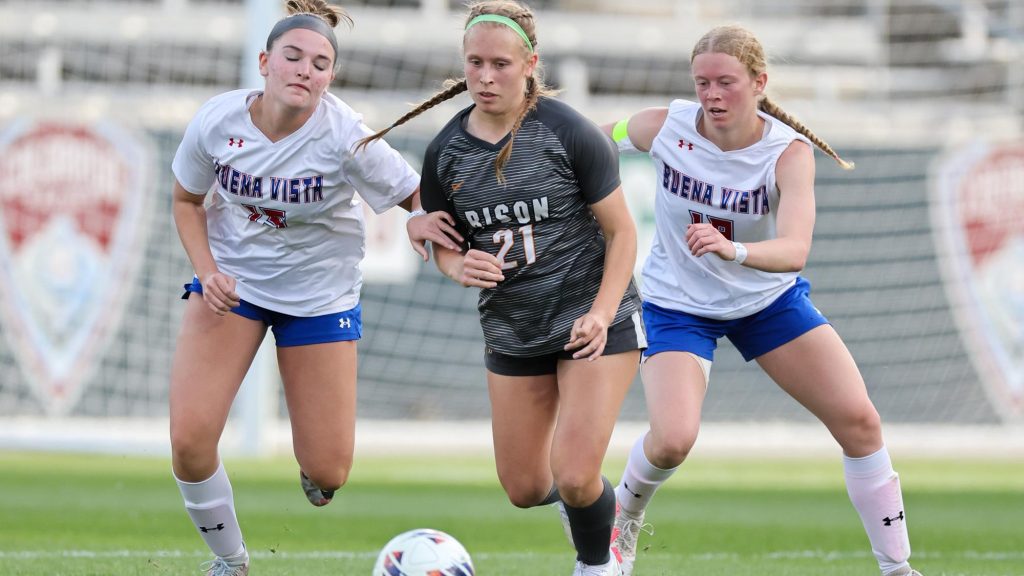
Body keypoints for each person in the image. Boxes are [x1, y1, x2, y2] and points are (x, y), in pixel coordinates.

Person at [602, 24, 922, 576]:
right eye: (702, 82)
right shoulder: (665, 126)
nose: (712, 95)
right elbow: (590, 142)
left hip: (767, 302)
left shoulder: (788, 153)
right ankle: (619, 528)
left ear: (759, 82)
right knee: (673, 440)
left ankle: (897, 570)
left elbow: (795, 250)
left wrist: (735, 250)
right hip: (677, 304)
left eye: (726, 82)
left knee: (860, 422)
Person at [168, 2, 457, 575]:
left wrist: (420, 219)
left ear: (331, 76)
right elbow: (185, 200)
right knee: (190, 444)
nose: (305, 69)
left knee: (329, 472)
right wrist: (206, 272)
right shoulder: (216, 121)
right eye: (293, 56)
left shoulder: (348, 136)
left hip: (319, 299)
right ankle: (231, 562)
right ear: (264, 62)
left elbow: (415, 195)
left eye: (320, 63)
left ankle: (315, 468)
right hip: (232, 287)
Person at [358, 2, 644, 574]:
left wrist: (602, 311)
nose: (485, 77)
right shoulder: (446, 151)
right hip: (514, 329)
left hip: (594, 324)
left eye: (500, 64)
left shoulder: (569, 134)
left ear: (530, 63)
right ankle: (595, 501)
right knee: (523, 486)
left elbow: (623, 234)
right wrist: (455, 266)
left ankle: (599, 561)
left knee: (572, 472)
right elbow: (442, 242)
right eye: (475, 64)